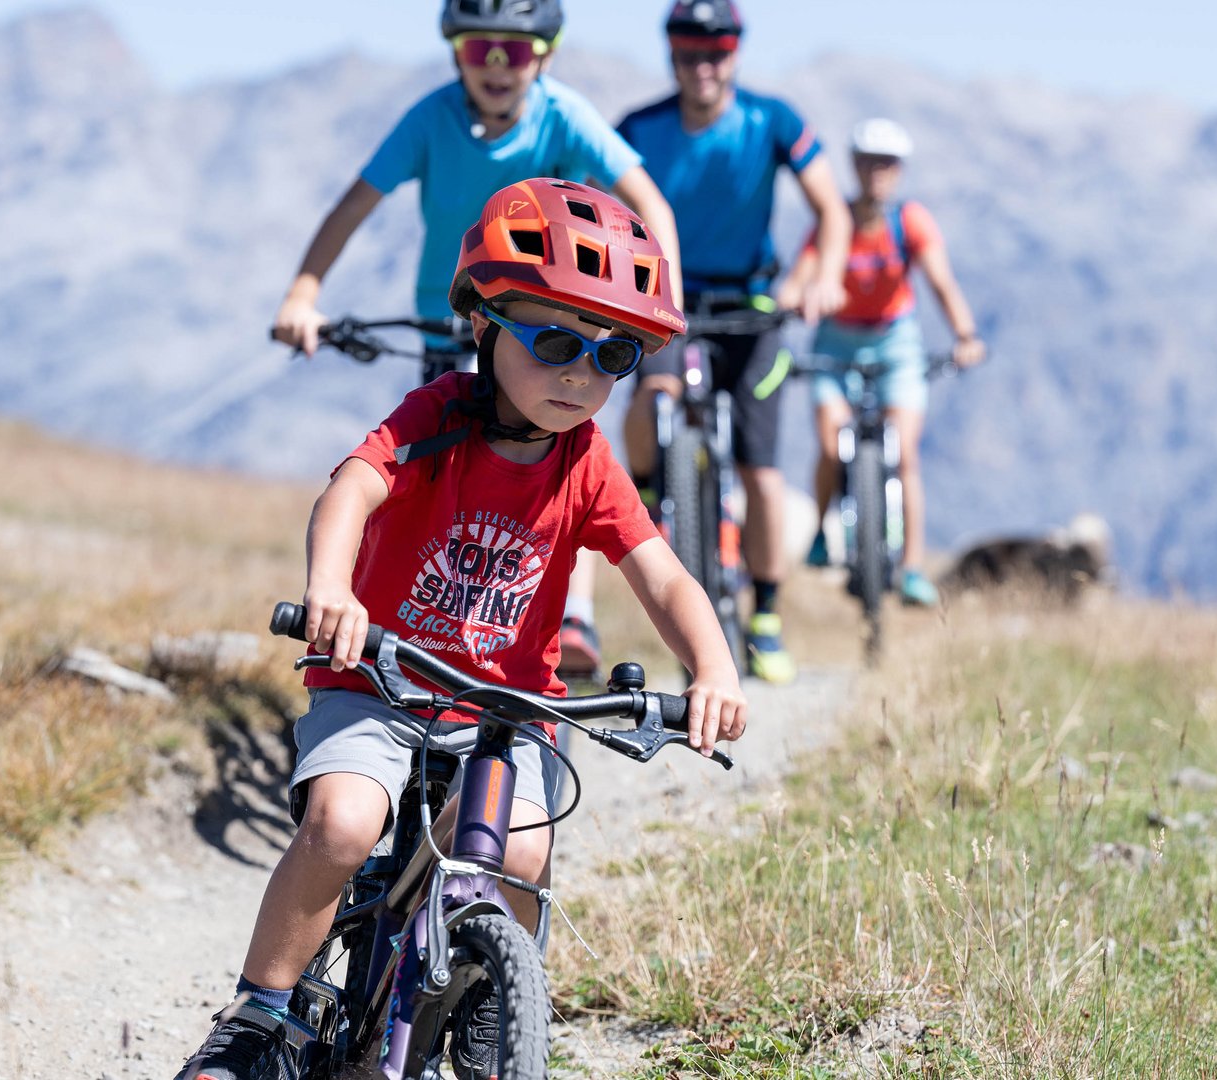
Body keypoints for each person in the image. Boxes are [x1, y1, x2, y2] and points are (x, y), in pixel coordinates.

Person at [177, 179, 744, 1080]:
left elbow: (662, 572)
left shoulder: (587, 458)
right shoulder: (436, 414)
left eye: (615, 357)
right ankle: (259, 1014)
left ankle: (491, 1008)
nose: (580, 376)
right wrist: (333, 591)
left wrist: (712, 666)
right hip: (382, 681)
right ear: (483, 323)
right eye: (555, 341)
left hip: (506, 709)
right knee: (345, 823)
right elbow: (352, 490)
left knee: (522, 849)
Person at [269, 0, 686, 680]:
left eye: (516, 52)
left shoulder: (567, 116)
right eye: (478, 50)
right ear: (454, 52)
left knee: (558, 459)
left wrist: (661, 305)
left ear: (545, 56)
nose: (497, 67)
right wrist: (304, 292)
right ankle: (406, 617)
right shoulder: (430, 119)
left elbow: (650, 203)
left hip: (554, 314)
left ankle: (570, 611)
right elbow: (355, 203)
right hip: (452, 311)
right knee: (434, 462)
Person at [616, 0, 852, 685]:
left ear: (737, 53)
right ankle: (649, 483)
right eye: (689, 52)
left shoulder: (772, 120)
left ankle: (766, 615)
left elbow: (831, 210)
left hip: (753, 306)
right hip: (668, 298)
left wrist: (820, 277)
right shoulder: (639, 127)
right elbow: (599, 196)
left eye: (716, 51)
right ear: (671, 54)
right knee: (653, 389)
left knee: (761, 471)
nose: (703, 65)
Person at [780, 118, 985, 607]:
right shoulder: (836, 222)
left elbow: (940, 282)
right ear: (854, 165)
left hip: (896, 343)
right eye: (869, 161)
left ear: (899, 170)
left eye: (888, 163)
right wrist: (791, 300)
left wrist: (965, 335)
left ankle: (911, 567)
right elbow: (800, 275)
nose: (878, 172)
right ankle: (821, 534)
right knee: (831, 443)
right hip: (836, 342)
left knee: (905, 453)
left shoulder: (910, 222)